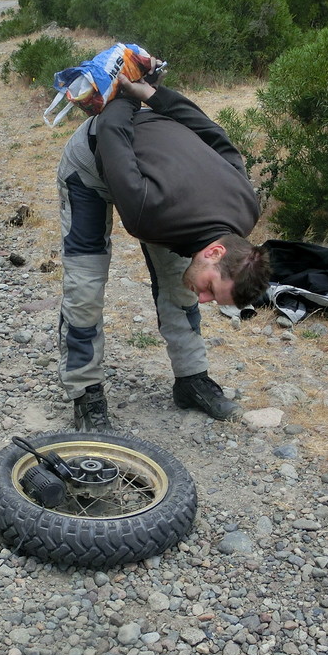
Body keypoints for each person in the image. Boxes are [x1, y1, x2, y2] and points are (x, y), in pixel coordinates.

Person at [56, 75, 271, 431]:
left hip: (155, 180)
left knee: (178, 285)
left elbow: (212, 134)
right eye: (211, 290)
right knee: (85, 288)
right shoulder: (147, 213)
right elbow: (110, 126)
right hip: (93, 163)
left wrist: (156, 92)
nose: (204, 299)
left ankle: (191, 381)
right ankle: (86, 394)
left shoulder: (246, 208)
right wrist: (133, 91)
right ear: (215, 252)